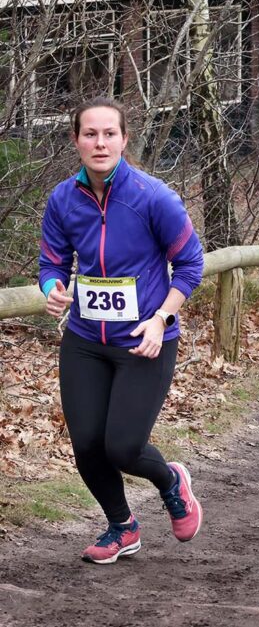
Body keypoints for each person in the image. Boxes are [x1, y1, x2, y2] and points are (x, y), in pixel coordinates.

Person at [38, 97, 205, 564]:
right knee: (87, 444)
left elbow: (190, 264)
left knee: (124, 446)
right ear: (75, 140)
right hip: (86, 342)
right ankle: (122, 526)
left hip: (145, 341)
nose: (99, 142)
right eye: (90, 134)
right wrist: (53, 288)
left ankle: (171, 481)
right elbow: (51, 262)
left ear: (124, 139)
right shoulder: (63, 199)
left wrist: (161, 318)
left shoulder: (154, 197)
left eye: (109, 133)